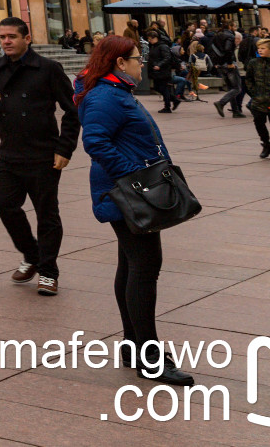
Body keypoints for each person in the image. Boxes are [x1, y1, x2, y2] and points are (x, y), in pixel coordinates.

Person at [75, 35, 192, 387]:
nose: (142, 63)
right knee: (144, 267)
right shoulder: (105, 95)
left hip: (127, 191)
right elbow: (94, 142)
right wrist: (133, 175)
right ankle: (149, 356)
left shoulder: (116, 92)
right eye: (137, 59)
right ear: (118, 63)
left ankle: (133, 345)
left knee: (131, 265)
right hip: (127, 193)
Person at [0, 17, 77, 296]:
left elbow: (72, 110)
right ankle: (32, 255)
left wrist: (64, 149)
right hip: (9, 154)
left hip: (44, 154)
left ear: (26, 39)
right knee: (5, 206)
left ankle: (48, 272)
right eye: (2, 37)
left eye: (11, 37)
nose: (5, 41)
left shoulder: (49, 69)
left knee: (47, 215)